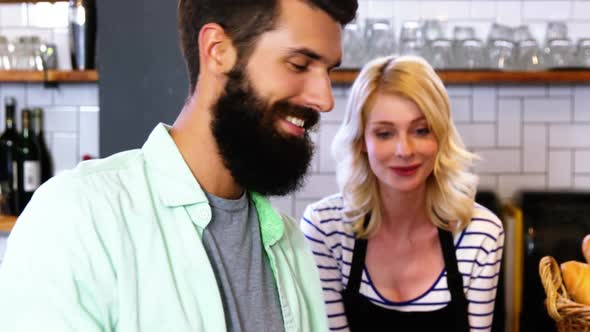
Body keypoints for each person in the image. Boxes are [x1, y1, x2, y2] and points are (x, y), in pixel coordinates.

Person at [0, 0, 358, 331]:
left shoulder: (290, 247)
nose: (324, 99)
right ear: (218, 51)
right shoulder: (76, 217)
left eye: (328, 70)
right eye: (299, 64)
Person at [300, 55, 504, 332]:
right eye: (385, 133)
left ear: (440, 137)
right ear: (361, 141)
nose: (405, 150)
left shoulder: (481, 234)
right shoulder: (325, 229)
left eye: (421, 130)